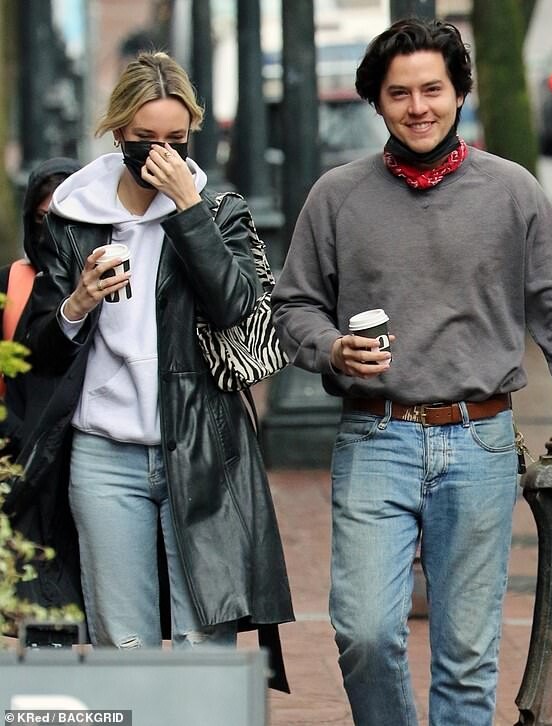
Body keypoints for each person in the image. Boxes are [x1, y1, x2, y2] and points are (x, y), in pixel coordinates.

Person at [271, 18, 552, 724]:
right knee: (365, 633)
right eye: (399, 93)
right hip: (375, 437)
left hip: (479, 441)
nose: (418, 107)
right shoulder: (336, 196)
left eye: (432, 89)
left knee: (466, 656)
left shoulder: (512, 191)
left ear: (460, 92)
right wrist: (333, 348)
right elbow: (293, 307)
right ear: (377, 102)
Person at [20, 51, 293, 685]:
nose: (160, 153)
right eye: (145, 138)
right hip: (103, 454)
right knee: (125, 646)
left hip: (201, 447)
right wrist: (77, 303)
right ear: (119, 132)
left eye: (176, 138)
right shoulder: (74, 216)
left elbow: (236, 308)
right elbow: (38, 350)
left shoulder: (218, 211)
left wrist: (187, 209)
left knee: (204, 645)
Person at [0, 157, 82, 619]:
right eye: (42, 217)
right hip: (26, 462)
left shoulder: (113, 278)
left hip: (91, 453)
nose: (53, 231)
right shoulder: (12, 282)